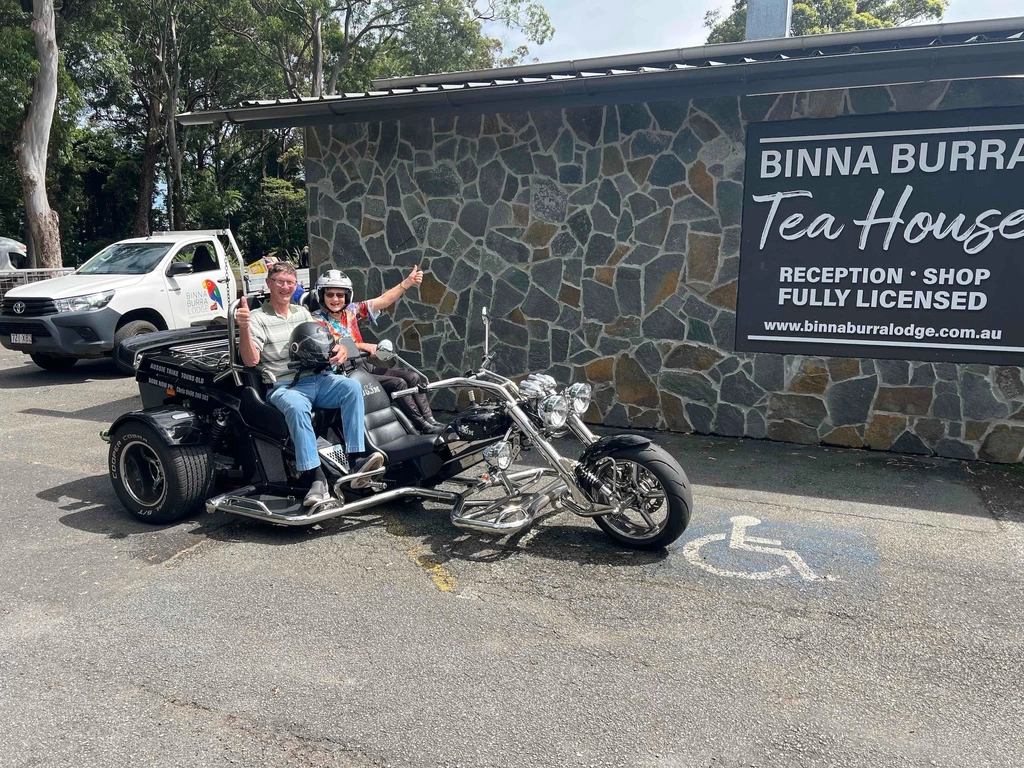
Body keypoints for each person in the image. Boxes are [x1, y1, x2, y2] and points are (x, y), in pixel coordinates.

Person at [235, 261, 384, 506]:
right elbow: (251, 360)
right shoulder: (257, 318)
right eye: (280, 281)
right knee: (296, 407)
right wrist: (243, 327)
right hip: (285, 386)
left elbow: (326, 342)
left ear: (296, 286)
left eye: (290, 283)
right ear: (269, 284)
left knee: (351, 387)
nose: (285, 287)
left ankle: (357, 458)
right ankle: (315, 478)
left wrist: (340, 351)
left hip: (319, 377)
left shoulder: (302, 313)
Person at [312, 266, 445, 435]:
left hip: (365, 366)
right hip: (346, 372)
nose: (335, 299)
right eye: (330, 294)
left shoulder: (351, 310)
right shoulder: (317, 320)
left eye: (340, 294)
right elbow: (331, 344)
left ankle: (430, 420)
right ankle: (422, 425)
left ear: (347, 296)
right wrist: (362, 345)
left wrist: (407, 283)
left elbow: (383, 300)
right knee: (399, 384)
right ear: (321, 295)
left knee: (413, 377)